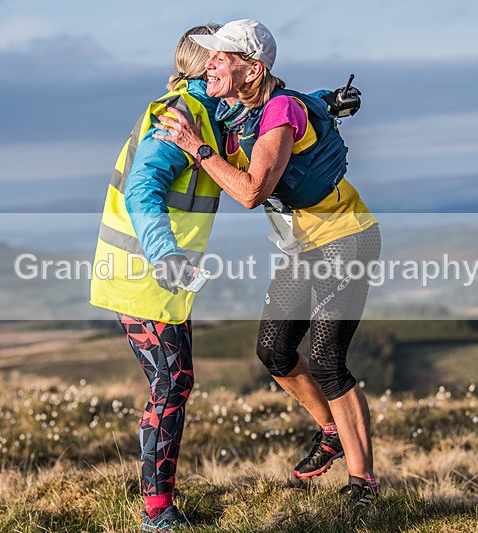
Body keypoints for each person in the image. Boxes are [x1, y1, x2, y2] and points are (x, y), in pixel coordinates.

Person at [154, 19, 382, 506]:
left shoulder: (277, 112)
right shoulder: (239, 105)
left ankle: (363, 486)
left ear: (252, 70)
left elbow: (252, 191)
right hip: (302, 248)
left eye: (221, 57)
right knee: (274, 351)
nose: (210, 63)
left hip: (346, 239)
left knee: (326, 359)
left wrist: (195, 148)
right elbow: (305, 99)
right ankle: (332, 432)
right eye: (210, 56)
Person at [89, 23, 223, 532]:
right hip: (145, 273)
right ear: (205, 65)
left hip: (158, 277)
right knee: (171, 383)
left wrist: (320, 103)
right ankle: (157, 513)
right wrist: (167, 256)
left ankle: (159, 505)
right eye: (220, 57)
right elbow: (141, 191)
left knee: (174, 382)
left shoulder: (207, 110)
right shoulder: (181, 115)